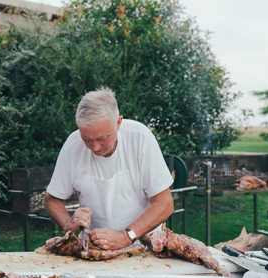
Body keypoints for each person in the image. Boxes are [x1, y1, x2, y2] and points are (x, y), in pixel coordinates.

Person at [44, 87, 174, 251]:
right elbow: (52, 199)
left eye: (102, 138)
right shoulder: (73, 145)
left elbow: (165, 203)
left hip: (145, 244)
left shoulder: (140, 138)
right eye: (86, 138)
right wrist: (68, 222)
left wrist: (126, 236)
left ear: (119, 123)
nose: (95, 147)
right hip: (95, 247)